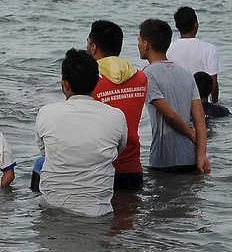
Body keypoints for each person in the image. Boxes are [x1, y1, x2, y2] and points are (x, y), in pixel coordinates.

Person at [34, 50, 127, 217]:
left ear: (65, 84)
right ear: (96, 82)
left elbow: (44, 152)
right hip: (97, 212)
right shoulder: (116, 116)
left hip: (52, 208)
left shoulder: (46, 113)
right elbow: (118, 150)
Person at [138, 19, 211, 174]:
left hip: (164, 160)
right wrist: (201, 155)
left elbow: (169, 115)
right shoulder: (186, 74)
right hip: (190, 157)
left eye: (139, 40)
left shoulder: (147, 75)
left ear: (146, 44)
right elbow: (199, 118)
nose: (138, 44)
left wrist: (190, 133)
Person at [87, 20, 149, 192]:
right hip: (132, 167)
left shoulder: (89, 82)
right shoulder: (141, 79)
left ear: (93, 47)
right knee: (129, 218)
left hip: (100, 168)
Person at [166, 6, 221, 102]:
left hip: (178, 103)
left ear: (177, 26)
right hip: (202, 103)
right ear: (196, 25)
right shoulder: (210, 49)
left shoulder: (168, 49)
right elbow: (213, 83)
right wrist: (214, 105)